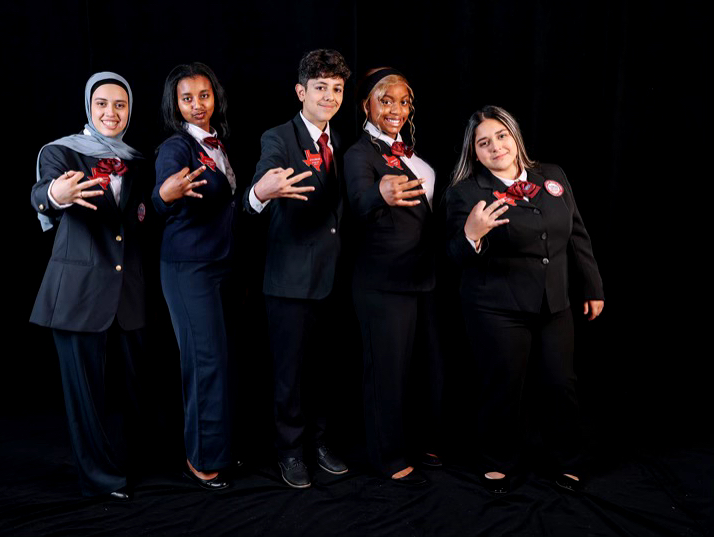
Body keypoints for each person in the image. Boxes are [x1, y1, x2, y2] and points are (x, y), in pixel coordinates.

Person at [445, 105, 604, 494]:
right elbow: (454, 256)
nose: (495, 146)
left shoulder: (552, 176)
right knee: (503, 385)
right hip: (496, 306)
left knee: (560, 383)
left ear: (514, 138)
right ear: (475, 153)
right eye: (484, 143)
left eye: (501, 136)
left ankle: (567, 460)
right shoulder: (465, 193)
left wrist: (592, 286)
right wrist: (472, 234)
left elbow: (577, 233)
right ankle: (497, 461)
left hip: (554, 302)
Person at [30, 71, 148, 501]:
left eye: (120, 105)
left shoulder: (138, 160)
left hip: (128, 293)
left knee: (133, 391)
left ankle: (130, 463)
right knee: (85, 397)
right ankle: (98, 479)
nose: (111, 113)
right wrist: (56, 195)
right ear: (88, 106)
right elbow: (44, 192)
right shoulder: (61, 152)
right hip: (77, 292)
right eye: (102, 103)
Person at [244, 49, 352, 489]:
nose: (329, 97)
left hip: (334, 277)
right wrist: (260, 192)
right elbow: (264, 181)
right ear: (301, 91)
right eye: (320, 88)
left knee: (325, 369)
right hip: (289, 280)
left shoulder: (343, 143)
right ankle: (289, 451)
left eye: (337, 89)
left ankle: (319, 442)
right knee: (289, 374)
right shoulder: (279, 137)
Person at [344, 68, 443, 487]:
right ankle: (387, 455)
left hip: (424, 277)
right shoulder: (358, 154)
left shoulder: (409, 153)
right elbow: (356, 202)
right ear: (367, 104)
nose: (396, 110)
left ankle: (422, 440)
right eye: (386, 101)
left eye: (403, 102)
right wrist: (378, 195)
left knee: (424, 368)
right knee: (386, 371)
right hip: (382, 283)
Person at [152, 62, 238, 490]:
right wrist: (165, 195)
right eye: (187, 98)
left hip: (219, 265)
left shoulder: (218, 144)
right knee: (205, 362)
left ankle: (217, 447)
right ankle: (201, 457)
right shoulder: (176, 146)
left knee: (220, 358)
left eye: (204, 95)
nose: (197, 104)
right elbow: (163, 191)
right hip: (188, 268)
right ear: (176, 104)